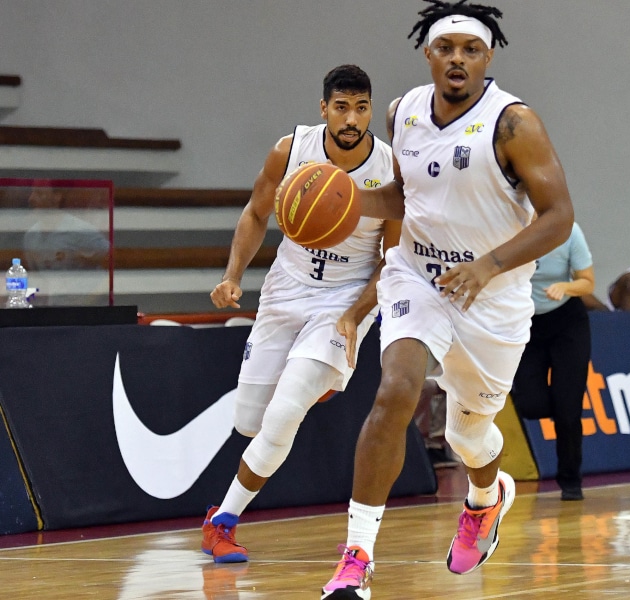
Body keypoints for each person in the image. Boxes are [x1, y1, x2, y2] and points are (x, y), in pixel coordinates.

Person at [319, 2, 574, 597]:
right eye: (445, 48)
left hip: (495, 293)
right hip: (418, 276)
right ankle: (356, 557)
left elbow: (560, 217)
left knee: (468, 435)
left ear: (487, 58)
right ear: (428, 54)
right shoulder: (401, 111)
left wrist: (488, 266)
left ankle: (487, 497)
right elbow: (406, 198)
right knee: (394, 391)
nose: (457, 58)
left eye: (470, 49)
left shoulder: (514, 124)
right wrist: (344, 201)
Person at [200, 65, 400, 564]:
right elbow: (255, 212)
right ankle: (321, 375)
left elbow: (390, 263)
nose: (351, 118)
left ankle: (221, 521)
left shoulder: (391, 170)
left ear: (370, 109)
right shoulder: (291, 150)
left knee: (286, 412)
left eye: (361, 107)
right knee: (250, 422)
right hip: (286, 288)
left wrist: (355, 316)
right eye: (341, 107)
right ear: (323, 109)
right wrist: (232, 275)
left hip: (343, 298)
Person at [511, 221, 595, 501]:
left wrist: (565, 286)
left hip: (567, 321)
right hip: (527, 322)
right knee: (529, 403)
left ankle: (571, 482)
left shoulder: (569, 231)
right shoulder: (509, 228)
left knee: (569, 408)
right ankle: (560, 406)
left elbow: (588, 282)